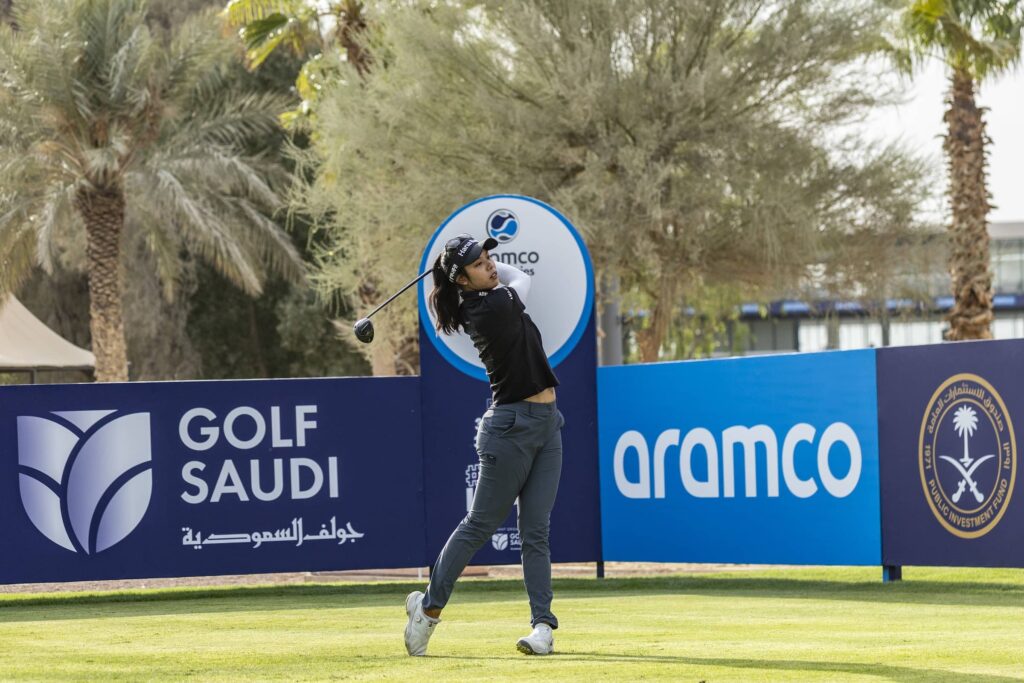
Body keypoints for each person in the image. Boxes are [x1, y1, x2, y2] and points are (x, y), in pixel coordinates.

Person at [404, 233, 564, 656]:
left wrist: (459, 267)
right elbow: (521, 276)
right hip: (511, 428)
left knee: (536, 532)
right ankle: (429, 609)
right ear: (462, 282)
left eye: (488, 256)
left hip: (548, 424)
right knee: (479, 526)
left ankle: (542, 627)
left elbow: (512, 274)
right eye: (478, 263)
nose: (490, 264)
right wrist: (454, 272)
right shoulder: (489, 307)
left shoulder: (489, 296)